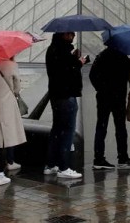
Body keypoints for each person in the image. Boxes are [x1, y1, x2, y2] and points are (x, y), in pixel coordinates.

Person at [44, 32, 85, 179]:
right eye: (70, 34)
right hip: (66, 96)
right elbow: (67, 73)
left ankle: (50, 165)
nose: (73, 35)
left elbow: (58, 70)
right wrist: (79, 62)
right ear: (63, 35)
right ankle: (64, 167)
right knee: (67, 132)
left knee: (56, 131)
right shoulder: (63, 51)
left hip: (55, 96)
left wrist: (73, 59)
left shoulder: (52, 49)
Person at [89, 46, 130, 170]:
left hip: (103, 97)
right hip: (118, 98)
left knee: (101, 127)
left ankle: (98, 158)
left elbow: (92, 75)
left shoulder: (101, 56)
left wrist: (100, 88)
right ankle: (122, 157)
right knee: (120, 127)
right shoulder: (122, 57)